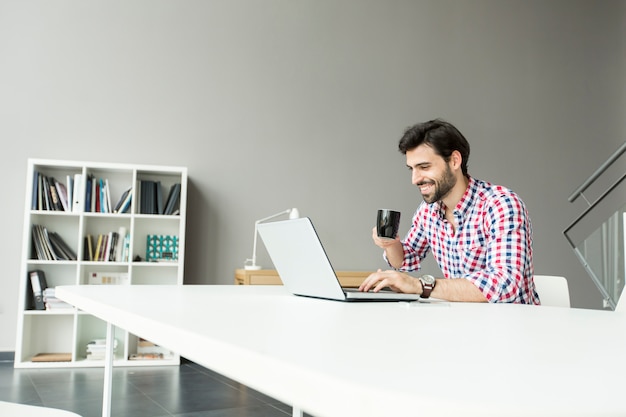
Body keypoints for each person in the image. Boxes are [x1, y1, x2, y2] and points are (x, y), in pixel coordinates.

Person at [359, 118, 539, 304]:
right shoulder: (428, 211)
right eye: (411, 169)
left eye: (424, 167)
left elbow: (504, 285)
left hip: (511, 327)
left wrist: (421, 286)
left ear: (454, 161)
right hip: (461, 324)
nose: (415, 179)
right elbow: (406, 258)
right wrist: (390, 245)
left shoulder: (500, 204)